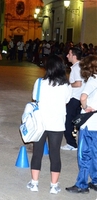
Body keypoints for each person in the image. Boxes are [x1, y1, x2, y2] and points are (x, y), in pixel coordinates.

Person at [26, 55, 71, 195]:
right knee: (55, 153)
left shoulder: (39, 82)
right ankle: (53, 185)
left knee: (37, 153)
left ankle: (34, 183)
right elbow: (66, 100)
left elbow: (35, 98)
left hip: (40, 122)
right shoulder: (66, 85)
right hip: (57, 124)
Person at [66, 55, 97, 194]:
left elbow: (83, 97)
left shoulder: (93, 79)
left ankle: (82, 184)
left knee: (84, 154)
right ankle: (96, 180)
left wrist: (85, 107)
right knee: (95, 153)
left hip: (89, 123)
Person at [61, 47, 84, 151]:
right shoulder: (80, 66)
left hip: (75, 98)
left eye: (69, 54)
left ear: (74, 56)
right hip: (79, 98)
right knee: (78, 121)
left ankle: (72, 144)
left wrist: (68, 85)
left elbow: (78, 83)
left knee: (68, 121)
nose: (67, 56)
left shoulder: (76, 67)